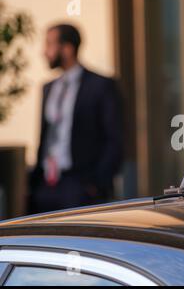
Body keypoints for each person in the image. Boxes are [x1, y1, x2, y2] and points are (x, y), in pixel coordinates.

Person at [28, 24, 123, 214]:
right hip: (47, 186)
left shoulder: (100, 86)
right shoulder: (48, 88)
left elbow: (115, 139)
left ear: (67, 48)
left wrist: (96, 184)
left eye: (49, 44)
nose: (44, 52)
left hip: (80, 186)